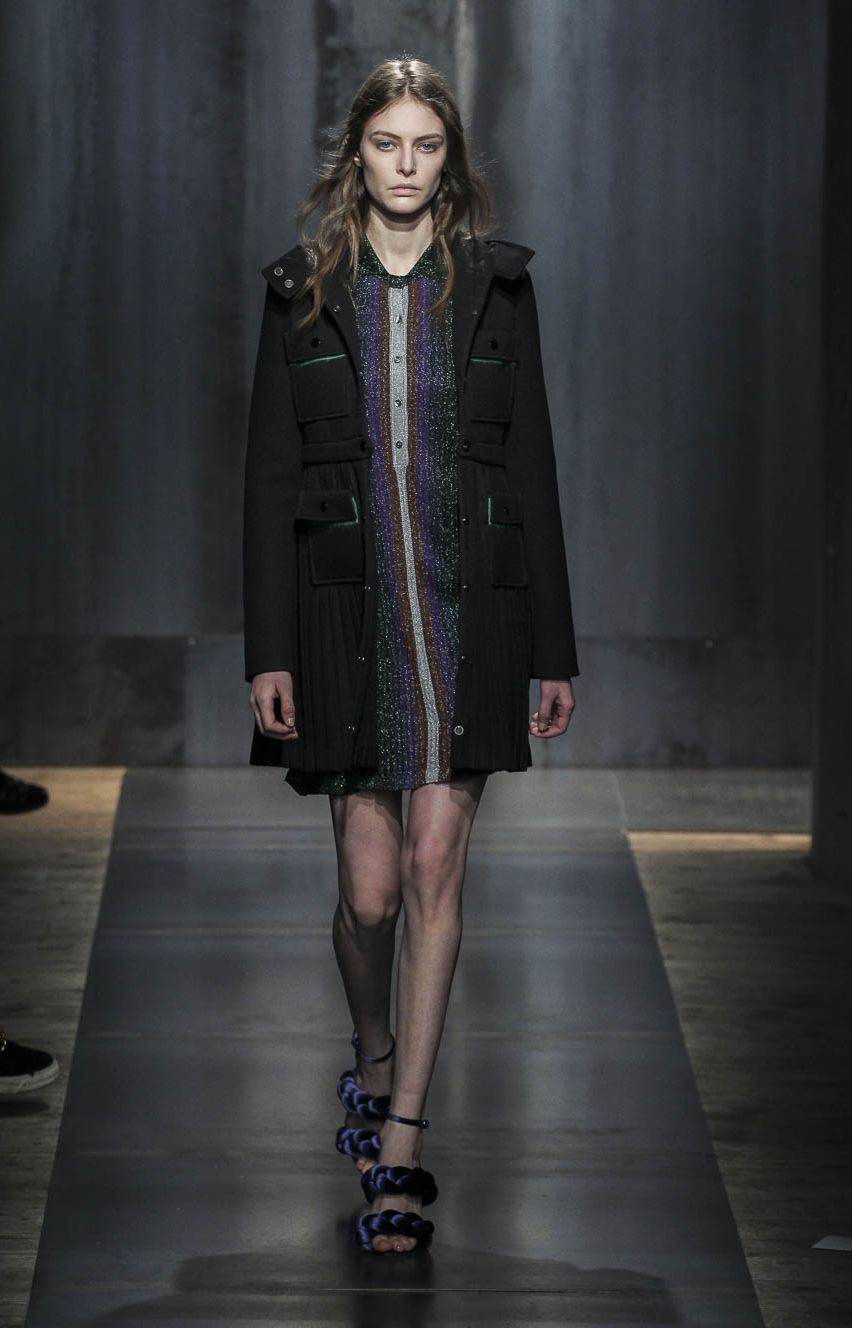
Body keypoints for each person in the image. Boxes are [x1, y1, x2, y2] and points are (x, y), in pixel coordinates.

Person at [243, 56, 578, 1255]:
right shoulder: (302, 290)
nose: (405, 164)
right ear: (356, 155)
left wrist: (554, 646)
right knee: (370, 893)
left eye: (425, 145)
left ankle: (401, 1144)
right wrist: (268, 649)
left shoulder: (495, 287)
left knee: (438, 862)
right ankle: (373, 1049)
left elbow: (532, 463)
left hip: (467, 608)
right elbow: (268, 478)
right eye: (386, 143)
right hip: (346, 617)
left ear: (451, 160)